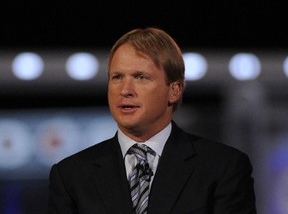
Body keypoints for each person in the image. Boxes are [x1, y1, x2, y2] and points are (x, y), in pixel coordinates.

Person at [47, 27, 257, 214]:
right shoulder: (70, 177)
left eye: (140, 77)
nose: (125, 90)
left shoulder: (222, 168)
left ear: (174, 90)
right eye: (117, 77)